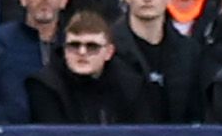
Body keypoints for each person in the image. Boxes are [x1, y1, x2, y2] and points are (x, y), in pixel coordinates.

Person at [27, 11, 159, 124]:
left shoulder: (130, 85)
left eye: (92, 46)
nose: (82, 52)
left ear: (108, 52)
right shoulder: (45, 86)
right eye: (74, 45)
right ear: (64, 50)